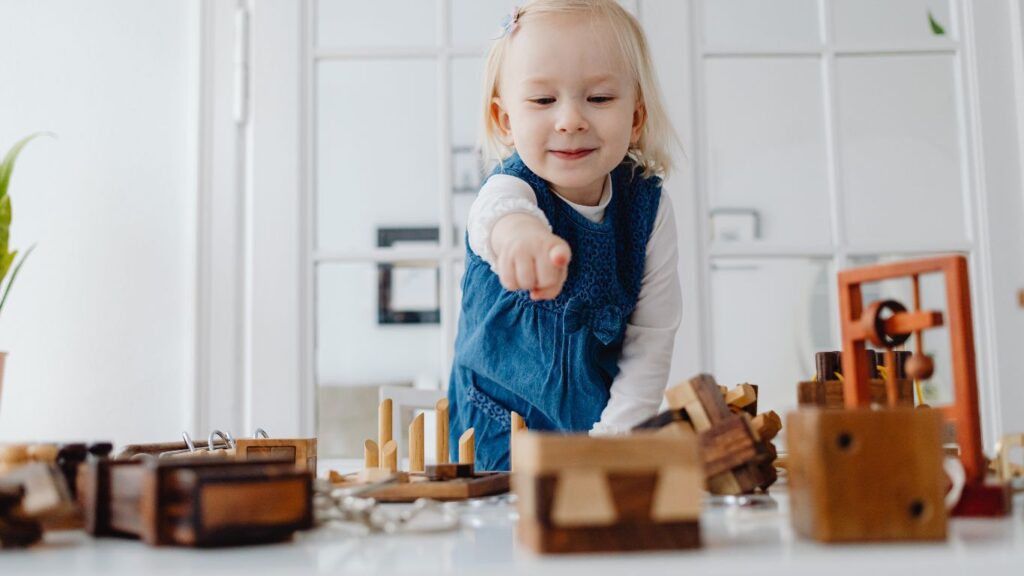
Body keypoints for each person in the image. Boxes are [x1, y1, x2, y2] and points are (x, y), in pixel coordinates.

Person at [447, 0, 681, 471]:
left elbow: (650, 340)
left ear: (636, 118)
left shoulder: (647, 209)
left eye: (598, 99)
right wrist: (521, 238)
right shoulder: (509, 190)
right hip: (495, 436)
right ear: (505, 121)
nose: (570, 119)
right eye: (542, 100)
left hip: (595, 428)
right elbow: (497, 218)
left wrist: (615, 440)